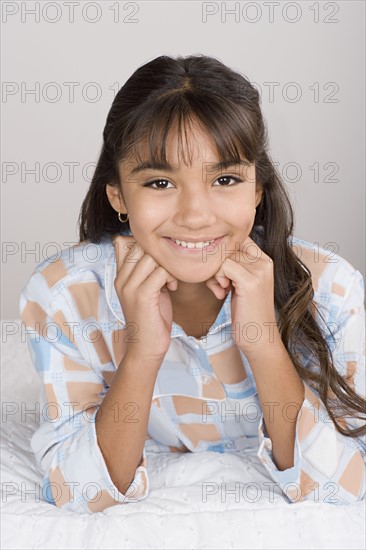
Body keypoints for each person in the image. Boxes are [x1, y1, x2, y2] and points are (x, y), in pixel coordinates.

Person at [19, 54, 366, 514]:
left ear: (257, 190)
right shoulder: (63, 294)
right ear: (119, 195)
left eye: (225, 179)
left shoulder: (332, 287)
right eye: (161, 183)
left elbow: (339, 488)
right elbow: (82, 493)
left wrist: (261, 343)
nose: (196, 216)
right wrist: (143, 350)